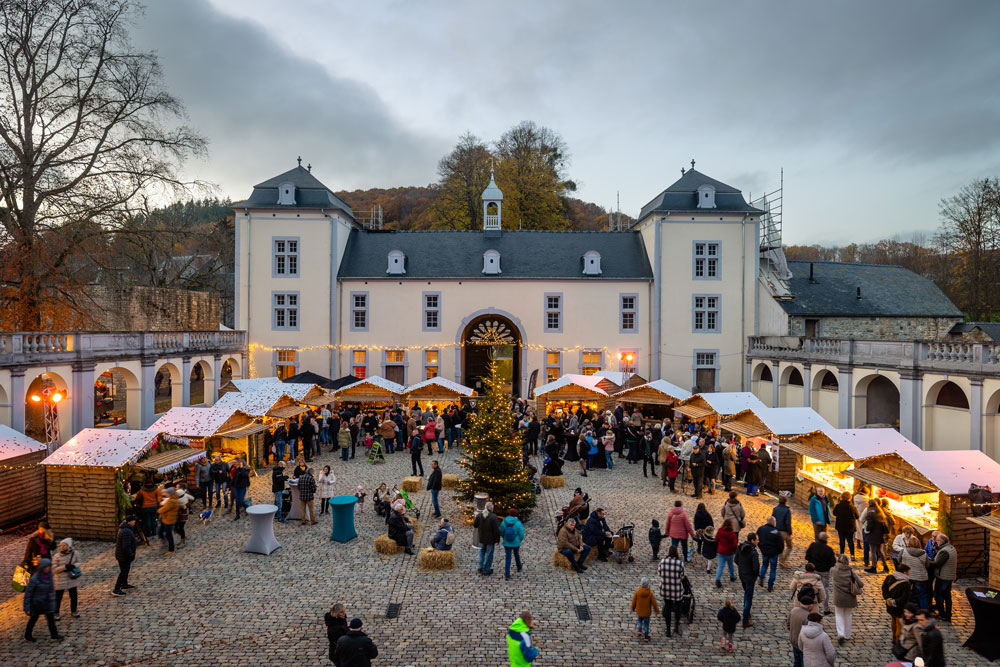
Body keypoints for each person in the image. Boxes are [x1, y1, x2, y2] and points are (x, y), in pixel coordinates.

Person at [23, 558, 63, 642]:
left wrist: (52, 602)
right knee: (33, 619)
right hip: (36, 603)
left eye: (49, 567)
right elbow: (28, 593)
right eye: (46, 567)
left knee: (51, 619)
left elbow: (51, 591)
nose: (47, 569)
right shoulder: (35, 579)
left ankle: (54, 634)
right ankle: (27, 634)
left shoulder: (49, 576)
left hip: (46, 603)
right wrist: (27, 607)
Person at [831, 553, 862, 646]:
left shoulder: (833, 570)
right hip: (849, 597)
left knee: (839, 615)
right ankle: (847, 635)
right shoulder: (850, 572)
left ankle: (841, 634)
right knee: (848, 615)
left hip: (838, 597)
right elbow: (860, 584)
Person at [657, 545, 686, 637]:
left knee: (668, 608)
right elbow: (682, 576)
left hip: (665, 589)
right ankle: (676, 626)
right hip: (676, 590)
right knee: (678, 608)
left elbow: (659, 573)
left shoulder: (663, 561)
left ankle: (668, 629)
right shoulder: (679, 563)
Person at [805, 531, 836, 614]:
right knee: (825, 589)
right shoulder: (828, 549)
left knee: (814, 588)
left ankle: (814, 607)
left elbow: (807, 556)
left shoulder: (813, 545)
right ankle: (826, 609)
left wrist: (811, 563)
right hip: (825, 572)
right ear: (826, 540)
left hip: (814, 571)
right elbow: (833, 562)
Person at [882, 562, 913, 642]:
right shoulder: (906, 583)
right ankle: (897, 639)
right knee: (899, 622)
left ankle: (893, 636)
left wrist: (888, 599)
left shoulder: (889, 577)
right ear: (904, 572)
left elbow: (884, 589)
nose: (909, 574)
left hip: (889, 604)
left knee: (893, 619)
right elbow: (905, 597)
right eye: (908, 572)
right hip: (900, 605)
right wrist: (896, 602)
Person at [51, 538, 81, 620]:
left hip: (72, 578)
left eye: (64, 545)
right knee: (58, 597)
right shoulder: (56, 556)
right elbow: (54, 569)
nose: (62, 547)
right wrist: (64, 567)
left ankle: (74, 611)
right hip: (60, 579)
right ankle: (56, 612)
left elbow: (79, 562)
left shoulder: (75, 553)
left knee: (74, 596)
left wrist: (74, 566)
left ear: (69, 546)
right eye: (61, 545)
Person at [735, 532, 760, 628]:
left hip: (742, 575)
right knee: (749, 597)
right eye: (757, 539)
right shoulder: (753, 553)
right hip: (750, 578)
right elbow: (756, 567)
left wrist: (742, 568)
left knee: (746, 593)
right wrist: (756, 575)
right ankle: (745, 620)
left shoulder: (740, 548)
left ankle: (747, 612)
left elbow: (736, 560)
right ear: (752, 540)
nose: (758, 541)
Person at [930, 533, 956, 622]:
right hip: (949, 576)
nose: (936, 542)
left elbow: (937, 563)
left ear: (941, 541)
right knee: (947, 596)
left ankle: (942, 614)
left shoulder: (944, 551)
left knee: (938, 596)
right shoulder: (951, 547)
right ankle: (948, 615)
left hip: (943, 577)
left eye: (937, 541)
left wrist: (928, 561)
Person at [900, 536, 930, 609]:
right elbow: (927, 565)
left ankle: (904, 610)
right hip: (920, 576)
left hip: (907, 575)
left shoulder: (904, 551)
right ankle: (925, 613)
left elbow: (899, 560)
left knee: (905, 594)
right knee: (922, 595)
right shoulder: (924, 553)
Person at [112, 515, 137, 597]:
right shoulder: (126, 531)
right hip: (124, 556)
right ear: (130, 522)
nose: (135, 522)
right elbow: (126, 546)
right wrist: (131, 555)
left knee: (125, 570)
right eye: (134, 521)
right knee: (123, 572)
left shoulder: (125, 528)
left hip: (121, 555)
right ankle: (116, 589)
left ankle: (124, 584)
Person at [863, 499, 891, 573]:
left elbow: (869, 526)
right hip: (880, 535)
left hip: (872, 535)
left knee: (873, 552)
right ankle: (885, 566)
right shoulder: (880, 513)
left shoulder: (870, 513)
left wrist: (866, 530)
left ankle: (874, 567)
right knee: (880, 551)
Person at [788, 594, 817, 667]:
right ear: (809, 605)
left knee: (796, 661)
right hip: (803, 645)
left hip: (794, 641)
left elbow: (788, 624)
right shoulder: (808, 617)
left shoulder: (793, 610)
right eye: (812, 605)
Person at [756, 516, 783, 591]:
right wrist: (778, 552)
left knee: (764, 565)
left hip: (764, 551)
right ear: (774, 522)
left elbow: (757, 539)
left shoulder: (761, 529)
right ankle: (770, 585)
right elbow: (781, 544)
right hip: (774, 553)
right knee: (773, 569)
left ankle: (761, 578)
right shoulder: (776, 531)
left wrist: (761, 547)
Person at [474, 502, 501, 575]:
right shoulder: (493, 517)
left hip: (482, 538)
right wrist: (497, 539)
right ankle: (486, 570)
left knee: (482, 552)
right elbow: (496, 530)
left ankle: (480, 566)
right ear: (491, 508)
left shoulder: (479, 515)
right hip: (490, 540)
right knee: (489, 555)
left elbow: (475, 525)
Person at [631, 577, 659, 642]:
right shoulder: (650, 594)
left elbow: (634, 601)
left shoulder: (637, 592)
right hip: (647, 613)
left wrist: (633, 608)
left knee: (639, 621)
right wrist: (656, 610)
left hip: (639, 611)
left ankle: (639, 630)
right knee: (646, 624)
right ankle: (646, 637)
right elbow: (654, 603)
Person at [832, 492, 859, 558]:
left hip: (840, 526)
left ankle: (842, 553)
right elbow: (857, 516)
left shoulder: (838, 506)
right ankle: (852, 555)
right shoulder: (853, 507)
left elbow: (834, 513)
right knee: (850, 541)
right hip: (850, 526)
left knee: (842, 540)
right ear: (849, 498)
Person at [501, 509, 525, 580]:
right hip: (516, 543)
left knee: (508, 557)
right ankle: (519, 566)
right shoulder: (518, 523)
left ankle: (507, 573)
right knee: (516, 554)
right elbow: (521, 534)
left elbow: (501, 532)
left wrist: (504, 538)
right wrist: (519, 540)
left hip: (507, 542)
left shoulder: (504, 522)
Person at [714, 518, 739, 588]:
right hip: (729, 552)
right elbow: (734, 545)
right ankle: (732, 577)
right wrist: (734, 550)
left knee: (720, 566)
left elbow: (716, 539)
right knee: (730, 565)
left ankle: (717, 579)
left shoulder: (719, 531)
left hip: (721, 551)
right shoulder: (732, 534)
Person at [157, 487, 179, 554]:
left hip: (168, 520)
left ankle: (171, 549)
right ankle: (167, 545)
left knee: (168, 534)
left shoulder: (171, 501)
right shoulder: (173, 499)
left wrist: (159, 510)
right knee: (162, 532)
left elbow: (163, 509)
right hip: (167, 519)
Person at [773, 495, 794, 564]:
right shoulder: (787, 510)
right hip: (784, 531)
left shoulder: (775, 509)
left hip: (776, 531)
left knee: (780, 546)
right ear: (786, 501)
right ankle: (783, 560)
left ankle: (781, 560)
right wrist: (790, 533)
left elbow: (773, 519)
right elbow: (788, 523)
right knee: (789, 546)